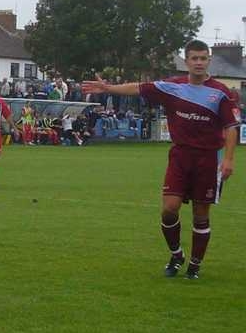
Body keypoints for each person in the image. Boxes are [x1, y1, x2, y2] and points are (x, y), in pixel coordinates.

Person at [82, 40, 239, 280]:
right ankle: (176, 255)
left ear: (209, 60)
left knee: (201, 213)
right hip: (180, 156)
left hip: (208, 158)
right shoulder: (172, 87)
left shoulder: (220, 93)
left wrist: (228, 160)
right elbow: (139, 88)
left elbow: (231, 128)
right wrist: (109, 88)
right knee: (169, 209)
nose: (198, 62)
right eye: (194, 58)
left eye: (203, 58)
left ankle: (195, 266)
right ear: (186, 61)